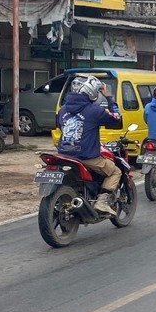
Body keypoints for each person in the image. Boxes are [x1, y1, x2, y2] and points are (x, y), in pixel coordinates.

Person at [55, 75, 124, 216]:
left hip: (63, 155)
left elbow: (61, 127)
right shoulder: (95, 111)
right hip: (86, 157)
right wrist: (109, 98)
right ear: (91, 91)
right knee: (115, 171)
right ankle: (102, 202)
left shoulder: (63, 110)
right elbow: (117, 119)